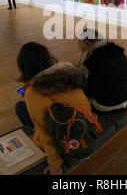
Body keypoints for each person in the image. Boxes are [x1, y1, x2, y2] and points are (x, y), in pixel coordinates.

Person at [14, 42, 91, 175]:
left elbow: (44, 133)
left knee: (21, 108)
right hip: (87, 126)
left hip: (64, 141)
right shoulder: (69, 75)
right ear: (47, 57)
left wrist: (55, 165)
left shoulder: (32, 93)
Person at [78, 29, 127, 113]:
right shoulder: (119, 52)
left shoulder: (91, 62)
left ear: (86, 43)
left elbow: (89, 89)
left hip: (105, 105)